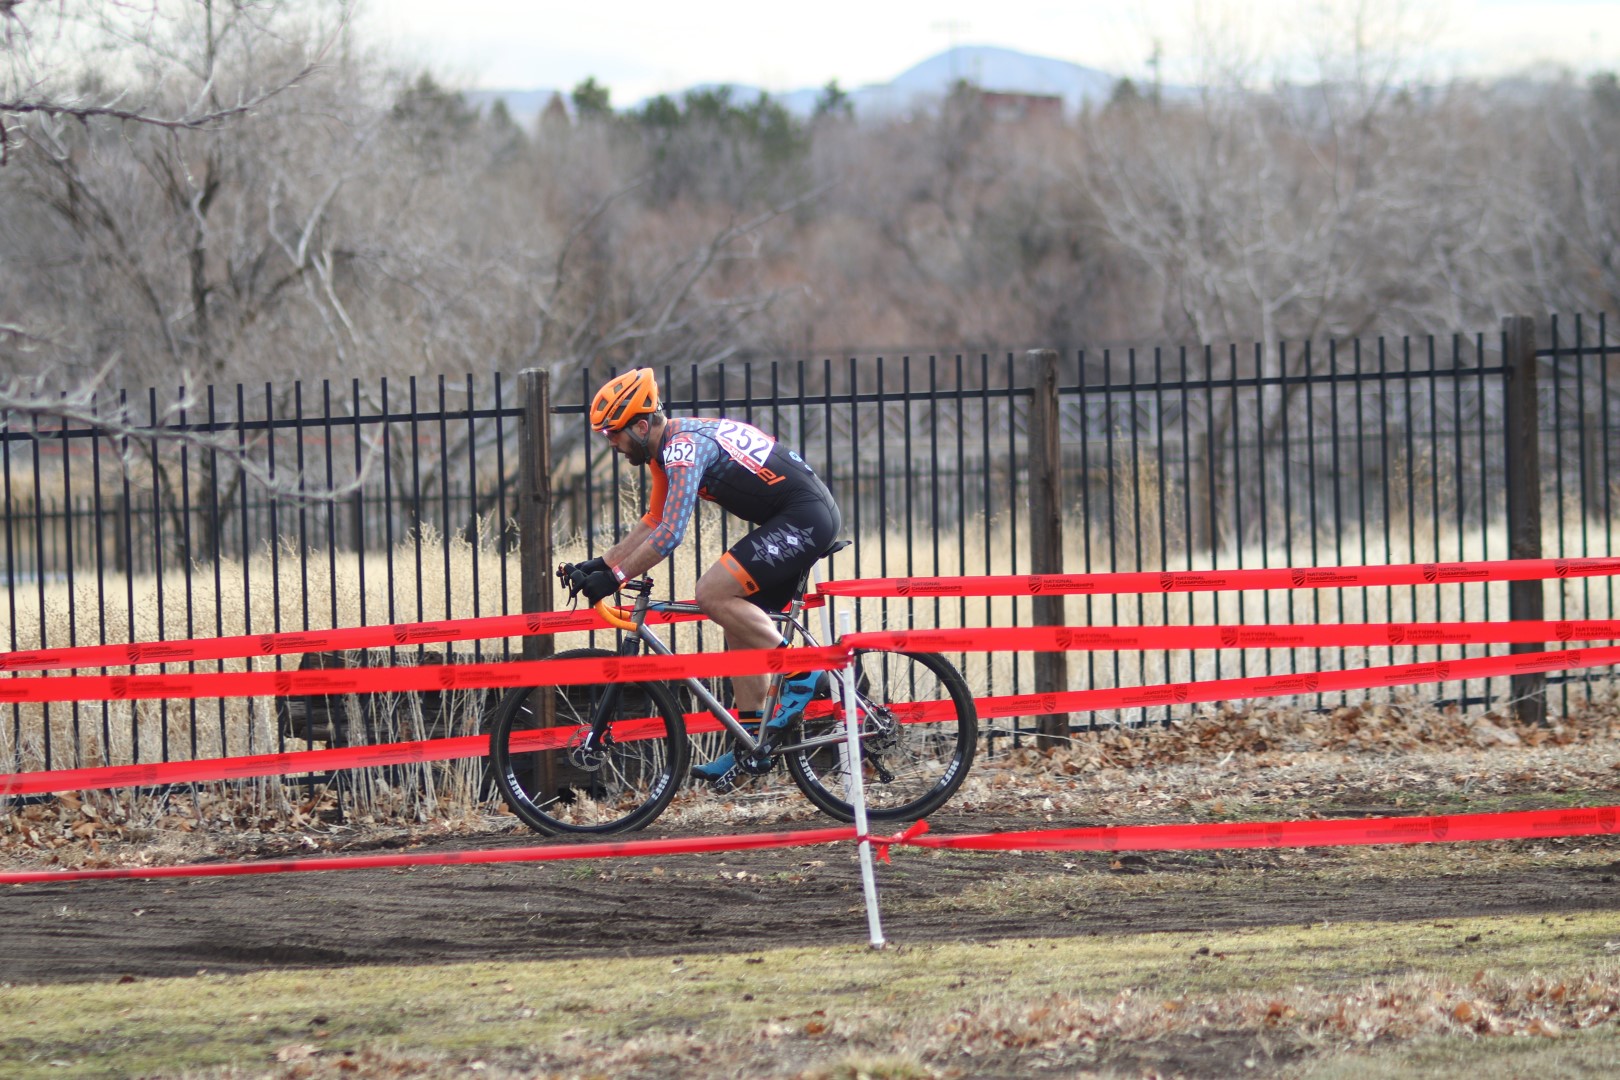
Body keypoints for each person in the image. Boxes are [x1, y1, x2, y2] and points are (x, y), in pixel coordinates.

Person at [562, 367, 844, 791]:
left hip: (805, 518)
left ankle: (805, 672)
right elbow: (653, 522)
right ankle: (752, 745)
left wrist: (617, 576)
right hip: (791, 517)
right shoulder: (663, 452)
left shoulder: (683, 448)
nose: (611, 443)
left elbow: (672, 534)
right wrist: (600, 565)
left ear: (641, 426)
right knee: (736, 618)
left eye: (613, 434)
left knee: (711, 592)